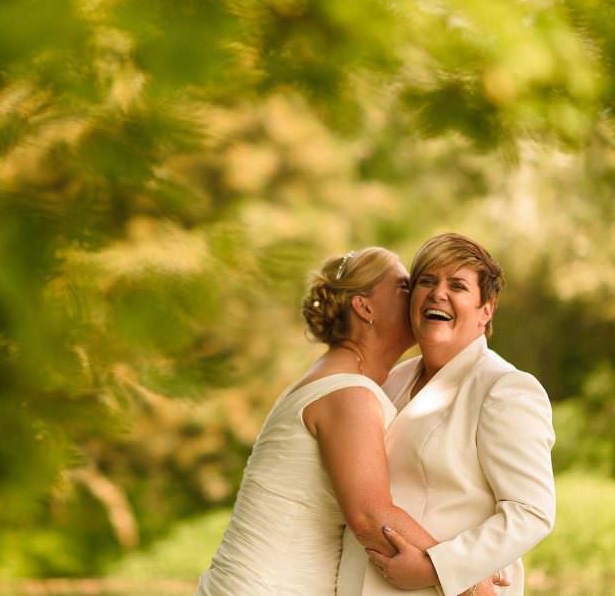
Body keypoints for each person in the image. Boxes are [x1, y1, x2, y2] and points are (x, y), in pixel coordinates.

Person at [195, 247, 503, 596]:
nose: (422, 294)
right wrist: (467, 578)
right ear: (364, 307)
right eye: (405, 287)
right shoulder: (349, 394)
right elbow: (371, 518)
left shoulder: (341, 379)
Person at [338, 233, 556, 596]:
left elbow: (531, 513)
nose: (438, 293)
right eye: (427, 281)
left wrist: (437, 569)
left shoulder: (504, 388)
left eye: (457, 285)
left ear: (486, 310)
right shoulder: (391, 380)